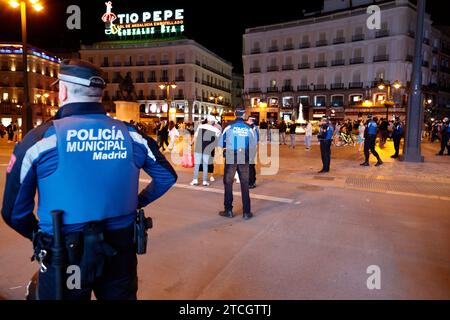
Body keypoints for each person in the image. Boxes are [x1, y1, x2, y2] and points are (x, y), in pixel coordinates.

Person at [1, 59, 178, 300]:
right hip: (120, 247)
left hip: (64, 253)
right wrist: (137, 202)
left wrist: (40, 236)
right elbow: (166, 176)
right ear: (99, 93)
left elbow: (13, 212)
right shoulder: (132, 134)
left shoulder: (40, 139)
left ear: (62, 90)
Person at [219, 109, 257, 220]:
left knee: (228, 183)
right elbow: (253, 144)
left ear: (235, 114)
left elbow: (221, 143)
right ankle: (246, 212)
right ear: (244, 115)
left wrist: (229, 143)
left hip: (231, 154)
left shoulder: (228, 126)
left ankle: (228, 210)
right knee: (245, 184)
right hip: (243, 155)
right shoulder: (249, 128)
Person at [190, 115, 221, 187]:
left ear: (207, 120)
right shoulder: (216, 130)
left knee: (197, 164)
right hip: (207, 149)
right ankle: (204, 181)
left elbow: (195, 137)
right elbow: (217, 140)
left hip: (198, 148)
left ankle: (195, 180)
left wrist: (191, 144)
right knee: (205, 165)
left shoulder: (200, 126)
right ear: (212, 121)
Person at [247, 116, 259, 189]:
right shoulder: (251, 128)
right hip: (249, 148)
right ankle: (251, 181)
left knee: (250, 166)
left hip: (251, 149)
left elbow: (255, 140)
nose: (247, 120)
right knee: (249, 166)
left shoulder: (253, 129)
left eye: (249, 119)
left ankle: (251, 182)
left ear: (252, 121)